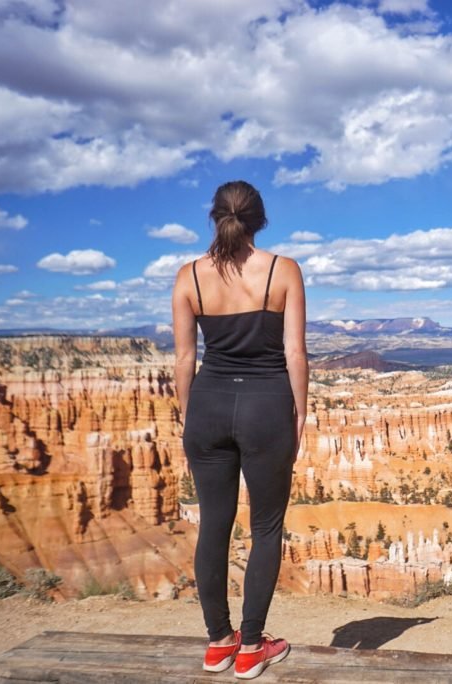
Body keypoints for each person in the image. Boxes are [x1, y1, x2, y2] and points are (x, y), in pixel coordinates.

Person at [172, 180, 308, 680]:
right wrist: (299, 412)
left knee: (214, 525)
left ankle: (216, 643)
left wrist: (190, 412)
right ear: (260, 219)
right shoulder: (282, 270)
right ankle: (252, 647)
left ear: (215, 217)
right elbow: (295, 353)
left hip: (207, 404)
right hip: (267, 404)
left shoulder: (188, 276)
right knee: (266, 526)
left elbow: (186, 357)